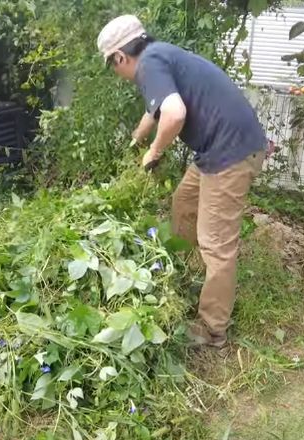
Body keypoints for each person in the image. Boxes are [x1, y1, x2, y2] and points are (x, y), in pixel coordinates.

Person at [98, 15, 267, 350]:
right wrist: (137, 141)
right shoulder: (159, 55)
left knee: (216, 243)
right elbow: (156, 110)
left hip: (229, 154)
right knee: (183, 204)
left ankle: (212, 327)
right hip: (216, 150)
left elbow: (174, 114)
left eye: (111, 66)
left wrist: (154, 153)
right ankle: (188, 280)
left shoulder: (149, 65)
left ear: (120, 56)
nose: (116, 74)